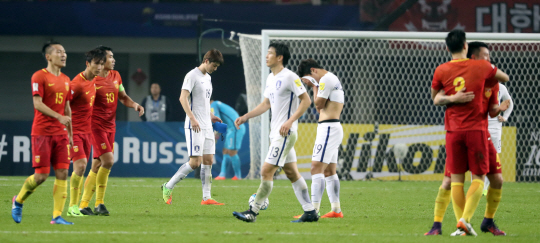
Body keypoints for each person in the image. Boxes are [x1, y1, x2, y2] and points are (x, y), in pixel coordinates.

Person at [425, 41, 510, 236]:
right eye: (484, 56)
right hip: (458, 132)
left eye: (489, 56)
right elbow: (437, 98)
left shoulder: (492, 81)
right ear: (472, 58)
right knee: (450, 181)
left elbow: (491, 110)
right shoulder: (458, 74)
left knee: (497, 179)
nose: (488, 60)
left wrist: (499, 109)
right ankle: (443, 225)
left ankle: (487, 221)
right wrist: (452, 99)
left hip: (482, 134)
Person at [232, 42, 317, 223]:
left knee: (266, 171)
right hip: (277, 134)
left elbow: (306, 100)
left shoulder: (290, 77)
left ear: (280, 57)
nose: (266, 56)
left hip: (285, 133)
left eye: (270, 53)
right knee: (292, 173)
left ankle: (252, 212)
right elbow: (265, 104)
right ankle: (310, 211)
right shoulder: (271, 78)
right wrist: (245, 116)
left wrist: (290, 121)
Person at [11, 41, 74, 225]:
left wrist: (70, 133)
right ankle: (19, 201)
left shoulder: (66, 80)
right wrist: (58, 117)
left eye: (64, 51)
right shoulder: (39, 76)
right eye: (58, 52)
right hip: (42, 133)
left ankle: (57, 216)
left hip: (61, 133)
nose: (63, 55)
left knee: (63, 172)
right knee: (41, 176)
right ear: (48, 56)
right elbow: (37, 103)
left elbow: (67, 109)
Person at [78, 45, 145, 216]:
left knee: (97, 165)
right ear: (101, 60)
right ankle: (99, 203)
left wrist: (135, 104)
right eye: (110, 57)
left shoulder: (116, 76)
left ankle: (84, 205)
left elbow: (122, 97)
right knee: (108, 161)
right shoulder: (91, 80)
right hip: (96, 127)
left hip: (110, 126)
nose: (113, 60)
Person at [161, 49, 225, 206]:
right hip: (194, 125)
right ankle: (168, 186)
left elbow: (203, 102)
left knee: (209, 160)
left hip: (207, 125)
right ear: (206, 61)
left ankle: (206, 198)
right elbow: (183, 98)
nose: (215, 69)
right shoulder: (191, 75)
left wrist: (211, 116)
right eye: (214, 65)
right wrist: (192, 118)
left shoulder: (208, 78)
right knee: (195, 162)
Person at [295, 58, 344, 219]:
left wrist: (314, 86)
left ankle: (313, 211)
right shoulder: (329, 79)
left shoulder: (325, 80)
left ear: (313, 71)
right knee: (329, 171)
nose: (310, 82)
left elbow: (318, 105)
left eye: (309, 78)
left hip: (329, 128)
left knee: (316, 168)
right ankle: (336, 209)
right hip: (331, 127)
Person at [66, 48, 106, 217]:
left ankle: (75, 207)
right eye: (96, 63)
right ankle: (72, 206)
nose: (99, 67)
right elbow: (63, 104)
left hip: (87, 132)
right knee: (81, 166)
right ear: (88, 64)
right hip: (73, 132)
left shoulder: (94, 82)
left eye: (102, 64)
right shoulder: (77, 83)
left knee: (81, 168)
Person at [211, 100, 246, 180]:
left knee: (232, 152)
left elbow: (217, 120)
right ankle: (222, 175)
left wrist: (215, 135)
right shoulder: (217, 103)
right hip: (231, 129)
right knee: (225, 151)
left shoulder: (213, 104)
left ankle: (238, 176)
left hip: (236, 128)